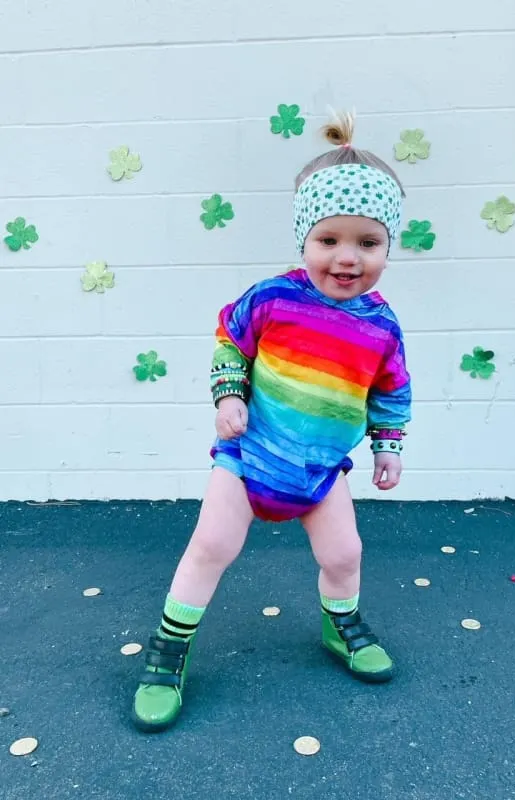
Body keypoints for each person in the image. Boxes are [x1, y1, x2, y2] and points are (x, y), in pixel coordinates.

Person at [131, 111, 412, 732]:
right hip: (249, 457)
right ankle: (167, 651)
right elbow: (230, 340)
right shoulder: (273, 298)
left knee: (345, 552)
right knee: (211, 547)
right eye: (329, 240)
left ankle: (341, 626)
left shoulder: (383, 324)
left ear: (389, 245)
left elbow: (392, 391)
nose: (347, 258)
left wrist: (388, 447)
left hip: (319, 472)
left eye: (368, 243)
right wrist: (228, 397)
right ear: (303, 239)